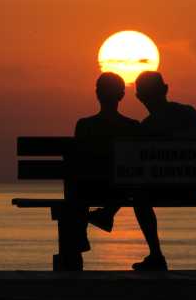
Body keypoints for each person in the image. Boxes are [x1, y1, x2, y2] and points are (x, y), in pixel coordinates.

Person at [130, 71, 196, 271]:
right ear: (165, 89)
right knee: (139, 192)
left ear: (139, 98)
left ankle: (156, 255)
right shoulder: (188, 113)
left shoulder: (147, 127)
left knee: (139, 195)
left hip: (167, 188)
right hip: (193, 186)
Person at [59, 72, 139, 270]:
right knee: (129, 177)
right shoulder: (132, 126)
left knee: (74, 180)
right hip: (120, 191)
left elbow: (75, 163)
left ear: (97, 94)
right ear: (121, 95)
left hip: (87, 190)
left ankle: (77, 247)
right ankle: (107, 213)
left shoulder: (84, 125)